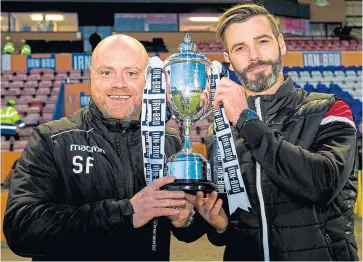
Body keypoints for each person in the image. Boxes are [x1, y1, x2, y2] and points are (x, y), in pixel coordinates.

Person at [3, 34, 205, 261]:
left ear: (147, 78)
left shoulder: (170, 141)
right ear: (91, 76)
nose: (119, 83)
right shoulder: (52, 139)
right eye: (107, 72)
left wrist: (185, 220)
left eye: (131, 73)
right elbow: (21, 228)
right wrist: (126, 213)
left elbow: (188, 228)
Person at [193, 4, 358, 261]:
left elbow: (323, 184)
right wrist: (221, 225)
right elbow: (231, 226)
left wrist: (245, 120)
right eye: (240, 48)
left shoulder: (330, 109)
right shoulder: (220, 132)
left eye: (262, 41)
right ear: (228, 57)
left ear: (281, 44)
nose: (254, 55)